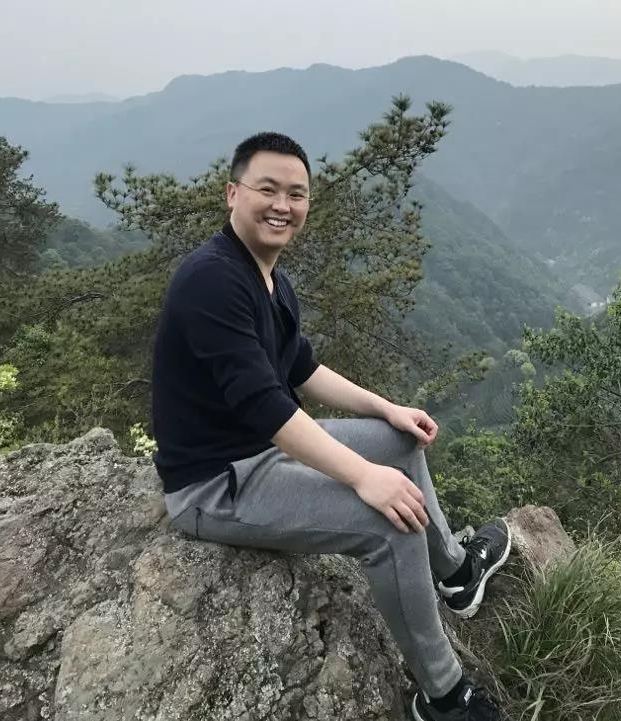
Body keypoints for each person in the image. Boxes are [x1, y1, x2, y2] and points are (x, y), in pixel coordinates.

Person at [151, 131, 510, 721]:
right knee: (391, 522)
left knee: (400, 441)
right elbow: (265, 407)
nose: (282, 205)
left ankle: (456, 573)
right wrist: (364, 477)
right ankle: (445, 697)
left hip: (260, 453)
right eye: (267, 189)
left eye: (296, 194)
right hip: (215, 485)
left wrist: (386, 409)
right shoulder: (211, 279)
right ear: (232, 193)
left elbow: (301, 368)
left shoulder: (267, 276)